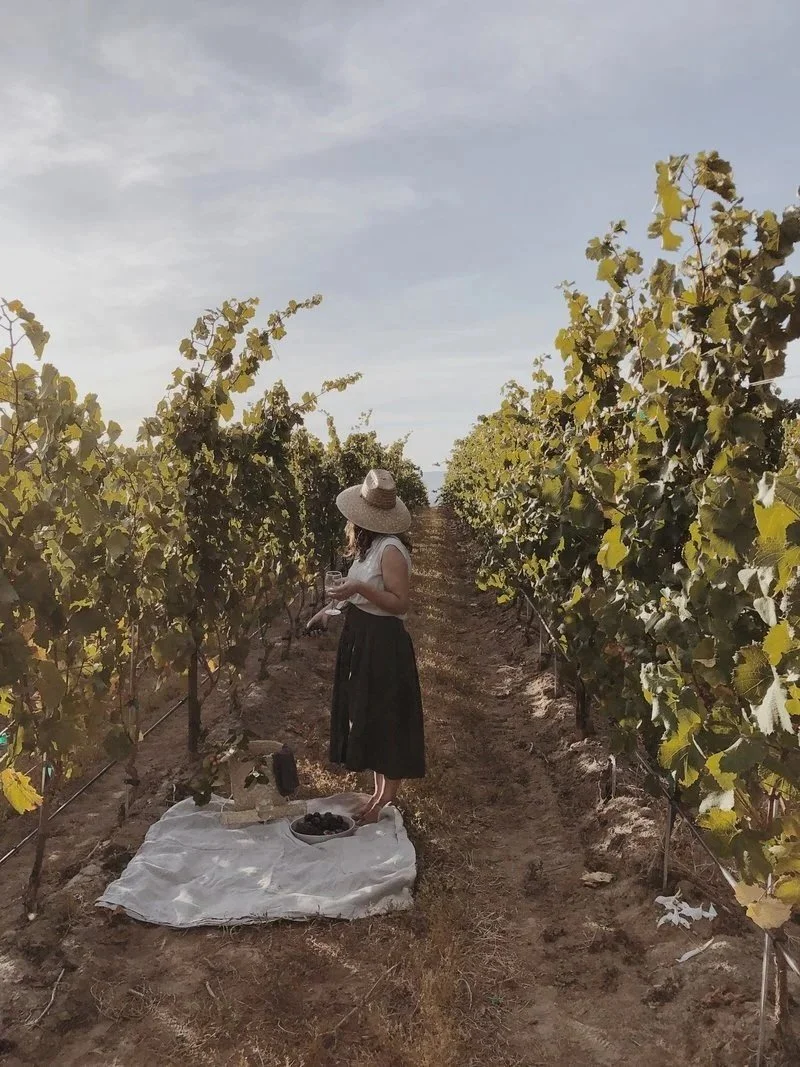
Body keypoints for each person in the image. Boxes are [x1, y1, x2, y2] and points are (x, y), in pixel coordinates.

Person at [306, 469, 425, 824]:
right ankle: (376, 793)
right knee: (367, 714)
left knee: (387, 717)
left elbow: (399, 603)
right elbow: (356, 593)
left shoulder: (391, 549)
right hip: (362, 638)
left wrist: (357, 590)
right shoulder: (369, 547)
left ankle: (385, 800)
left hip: (383, 643)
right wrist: (326, 612)